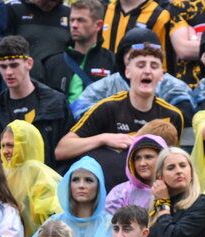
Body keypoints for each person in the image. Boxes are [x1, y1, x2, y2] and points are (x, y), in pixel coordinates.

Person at [56, 43, 183, 188]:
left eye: (154, 66)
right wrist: (103, 138)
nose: (147, 71)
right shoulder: (107, 107)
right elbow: (62, 149)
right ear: (128, 72)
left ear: (161, 75)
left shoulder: (173, 115)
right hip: (107, 192)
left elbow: (172, 162)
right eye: (141, 66)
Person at [0, 37, 72, 167]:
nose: (9, 72)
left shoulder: (56, 102)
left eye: (14, 65)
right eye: (3, 67)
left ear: (29, 63)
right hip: (8, 183)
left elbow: (66, 153)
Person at [105, 134, 164, 217]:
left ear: (162, 158)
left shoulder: (173, 188)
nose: (142, 163)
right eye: (137, 158)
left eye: (148, 157)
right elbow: (106, 225)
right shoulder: (120, 192)